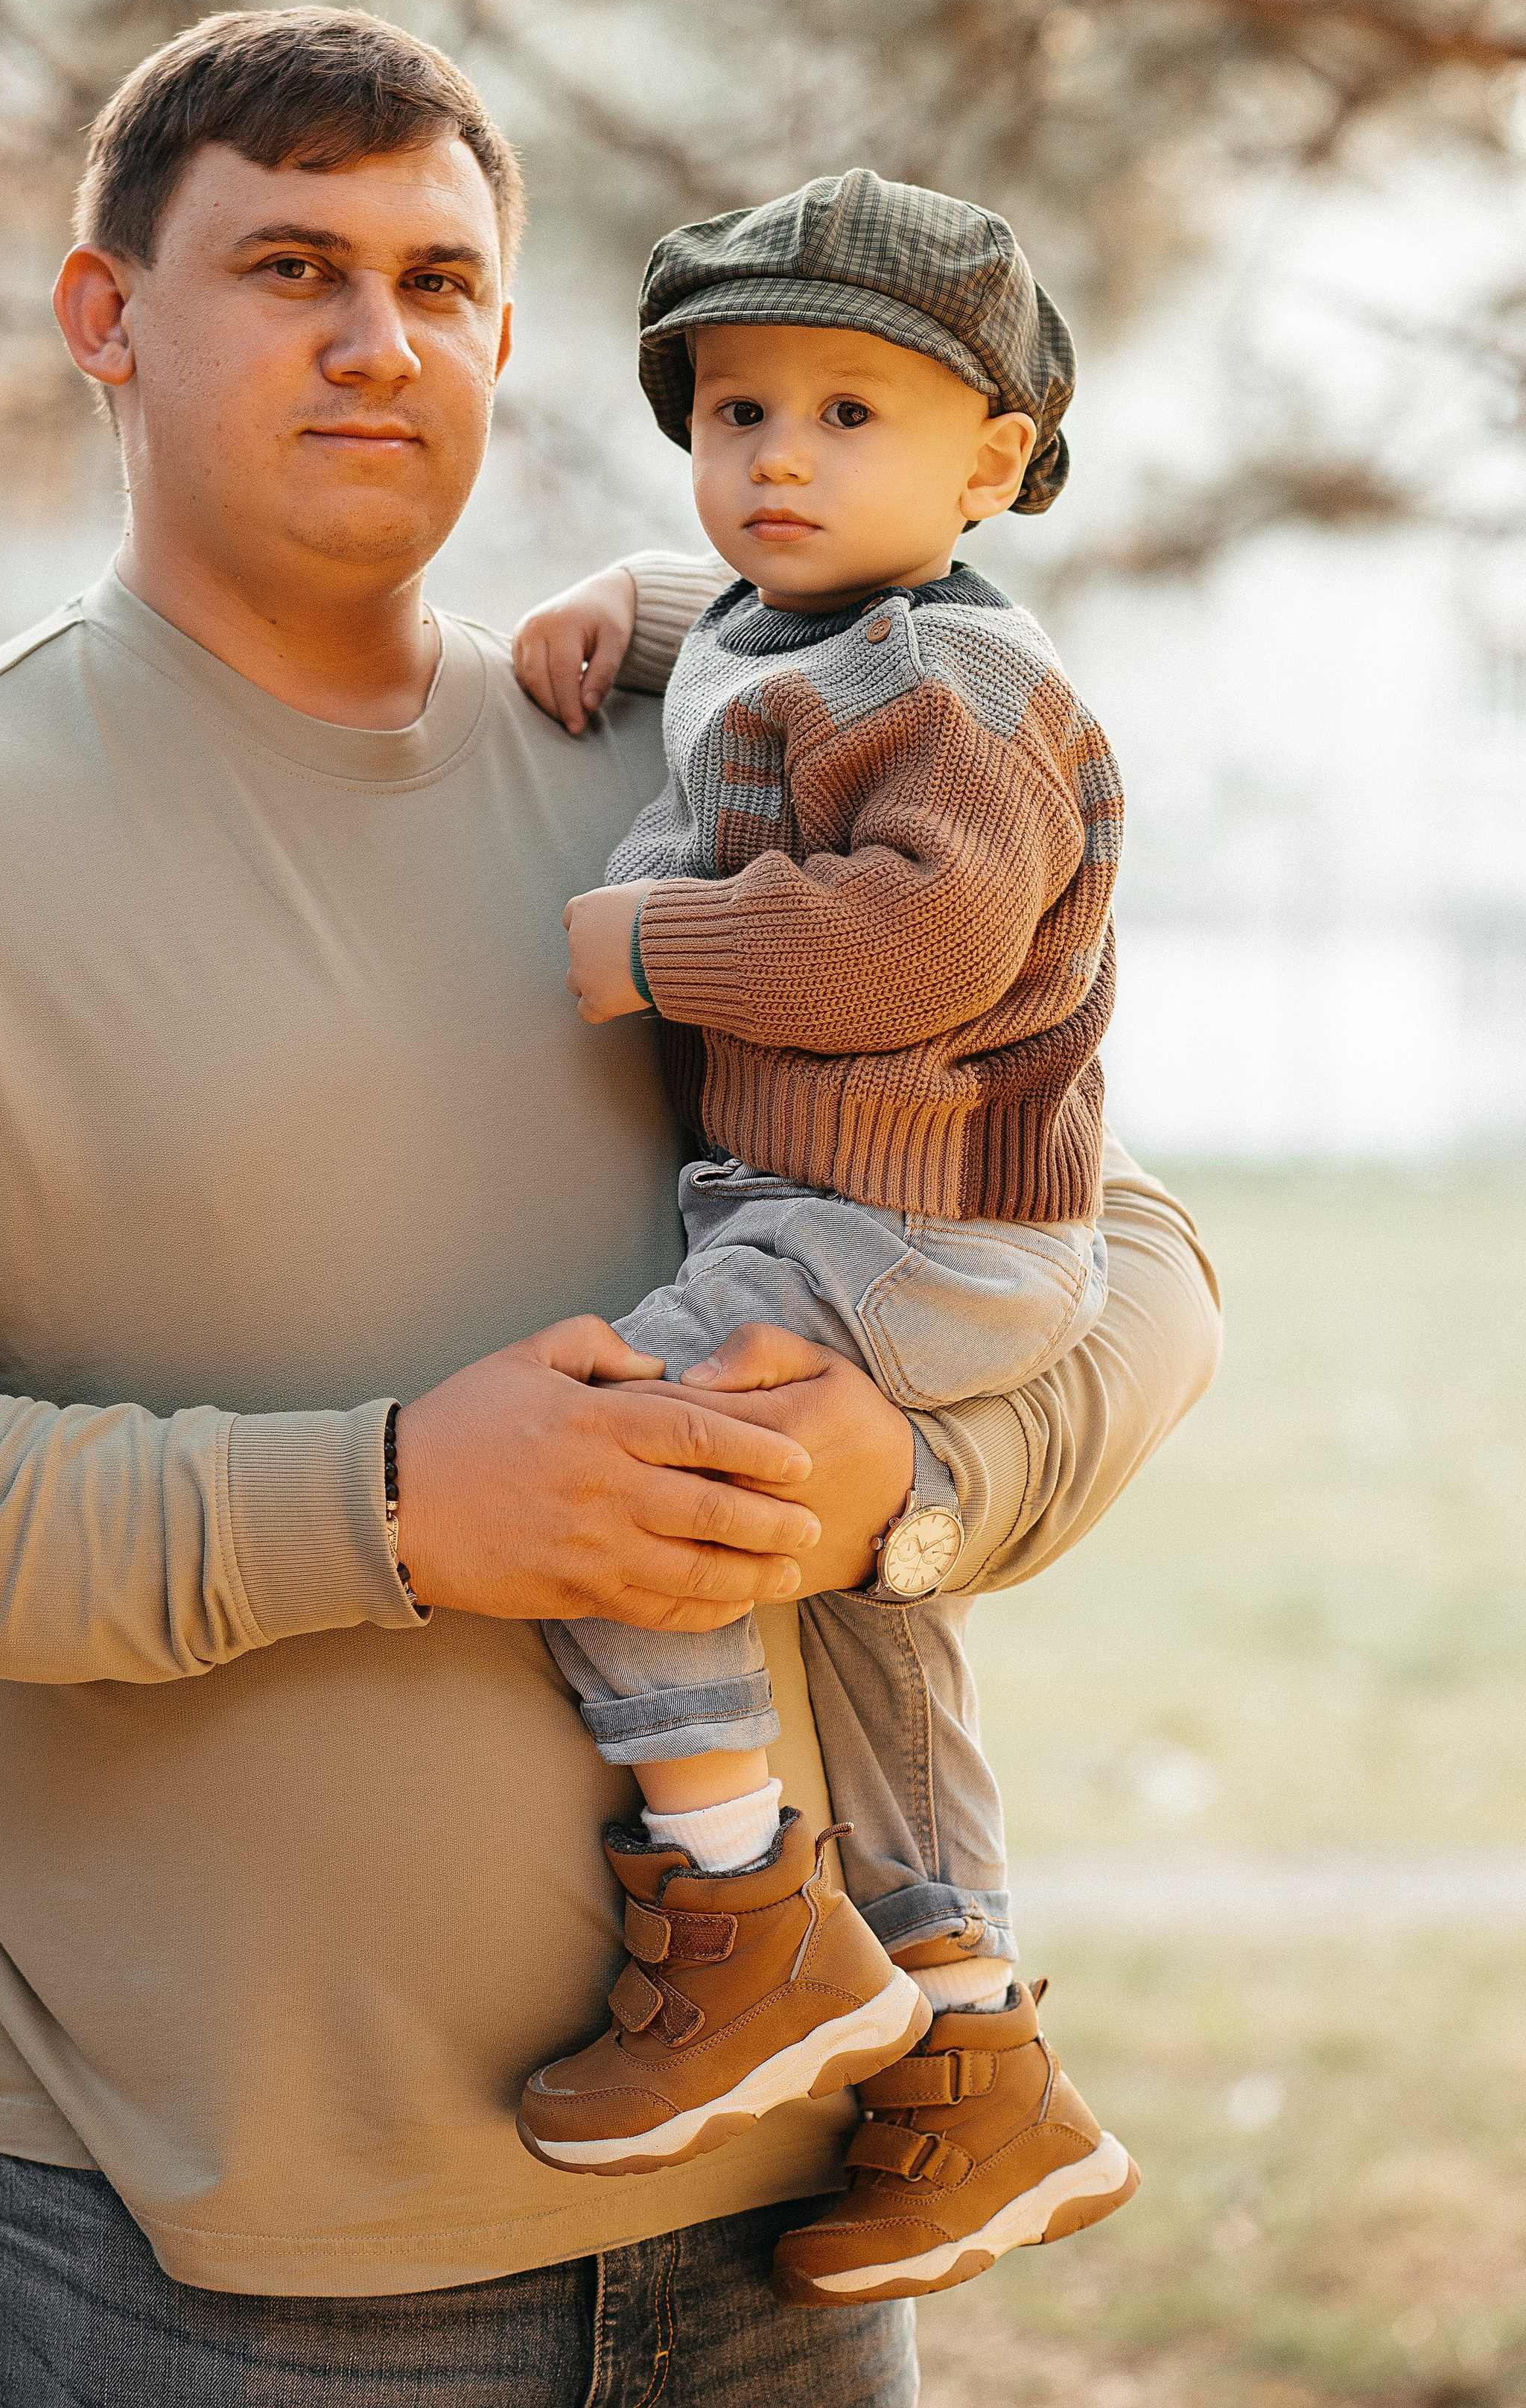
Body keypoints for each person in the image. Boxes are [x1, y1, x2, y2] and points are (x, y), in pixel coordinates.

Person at [0, 7, 1221, 2408]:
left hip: (799, 2235)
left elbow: (1130, 1250)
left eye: (444, 280)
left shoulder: (704, 742)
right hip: (230, 2256)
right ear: (104, 316)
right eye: (293, 265)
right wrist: (388, 1507)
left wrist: (911, 1482)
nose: (382, 338)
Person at [507, 168, 1136, 2308]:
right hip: (888, 1215)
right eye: (736, 413)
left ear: (993, 466)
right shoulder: (819, 622)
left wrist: (659, 945)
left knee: (640, 1467)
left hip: (912, 1214)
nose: (779, 459)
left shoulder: (958, 689)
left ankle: (739, 1908)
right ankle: (977, 2058)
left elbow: (924, 933)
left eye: (849, 417)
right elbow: (756, 637)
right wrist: (629, 601)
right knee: (861, 1598)